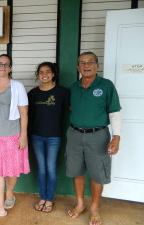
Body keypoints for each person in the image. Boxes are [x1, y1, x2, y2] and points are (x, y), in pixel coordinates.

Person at [66, 52, 121, 225]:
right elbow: (70, 107)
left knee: (97, 174)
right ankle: (80, 203)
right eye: (82, 63)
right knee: (76, 171)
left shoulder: (106, 86)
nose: (86, 65)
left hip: (98, 136)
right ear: (78, 67)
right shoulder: (73, 87)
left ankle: (94, 207)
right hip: (74, 135)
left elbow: (114, 112)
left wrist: (116, 136)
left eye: (90, 62)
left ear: (97, 65)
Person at [0, 54, 30, 217]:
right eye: (0, 64)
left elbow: (24, 112)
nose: (3, 67)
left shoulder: (17, 86)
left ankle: (9, 193)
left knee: (11, 170)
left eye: (6, 64)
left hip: (11, 134)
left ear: (11, 68)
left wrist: (23, 135)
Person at [28, 62, 70, 213]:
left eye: (48, 72)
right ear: (38, 75)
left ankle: (50, 199)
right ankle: (42, 197)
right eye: (41, 72)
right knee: (41, 169)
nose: (44, 74)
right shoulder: (33, 94)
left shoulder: (63, 92)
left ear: (53, 74)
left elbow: (71, 110)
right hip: (36, 136)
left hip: (54, 137)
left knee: (51, 168)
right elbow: (26, 114)